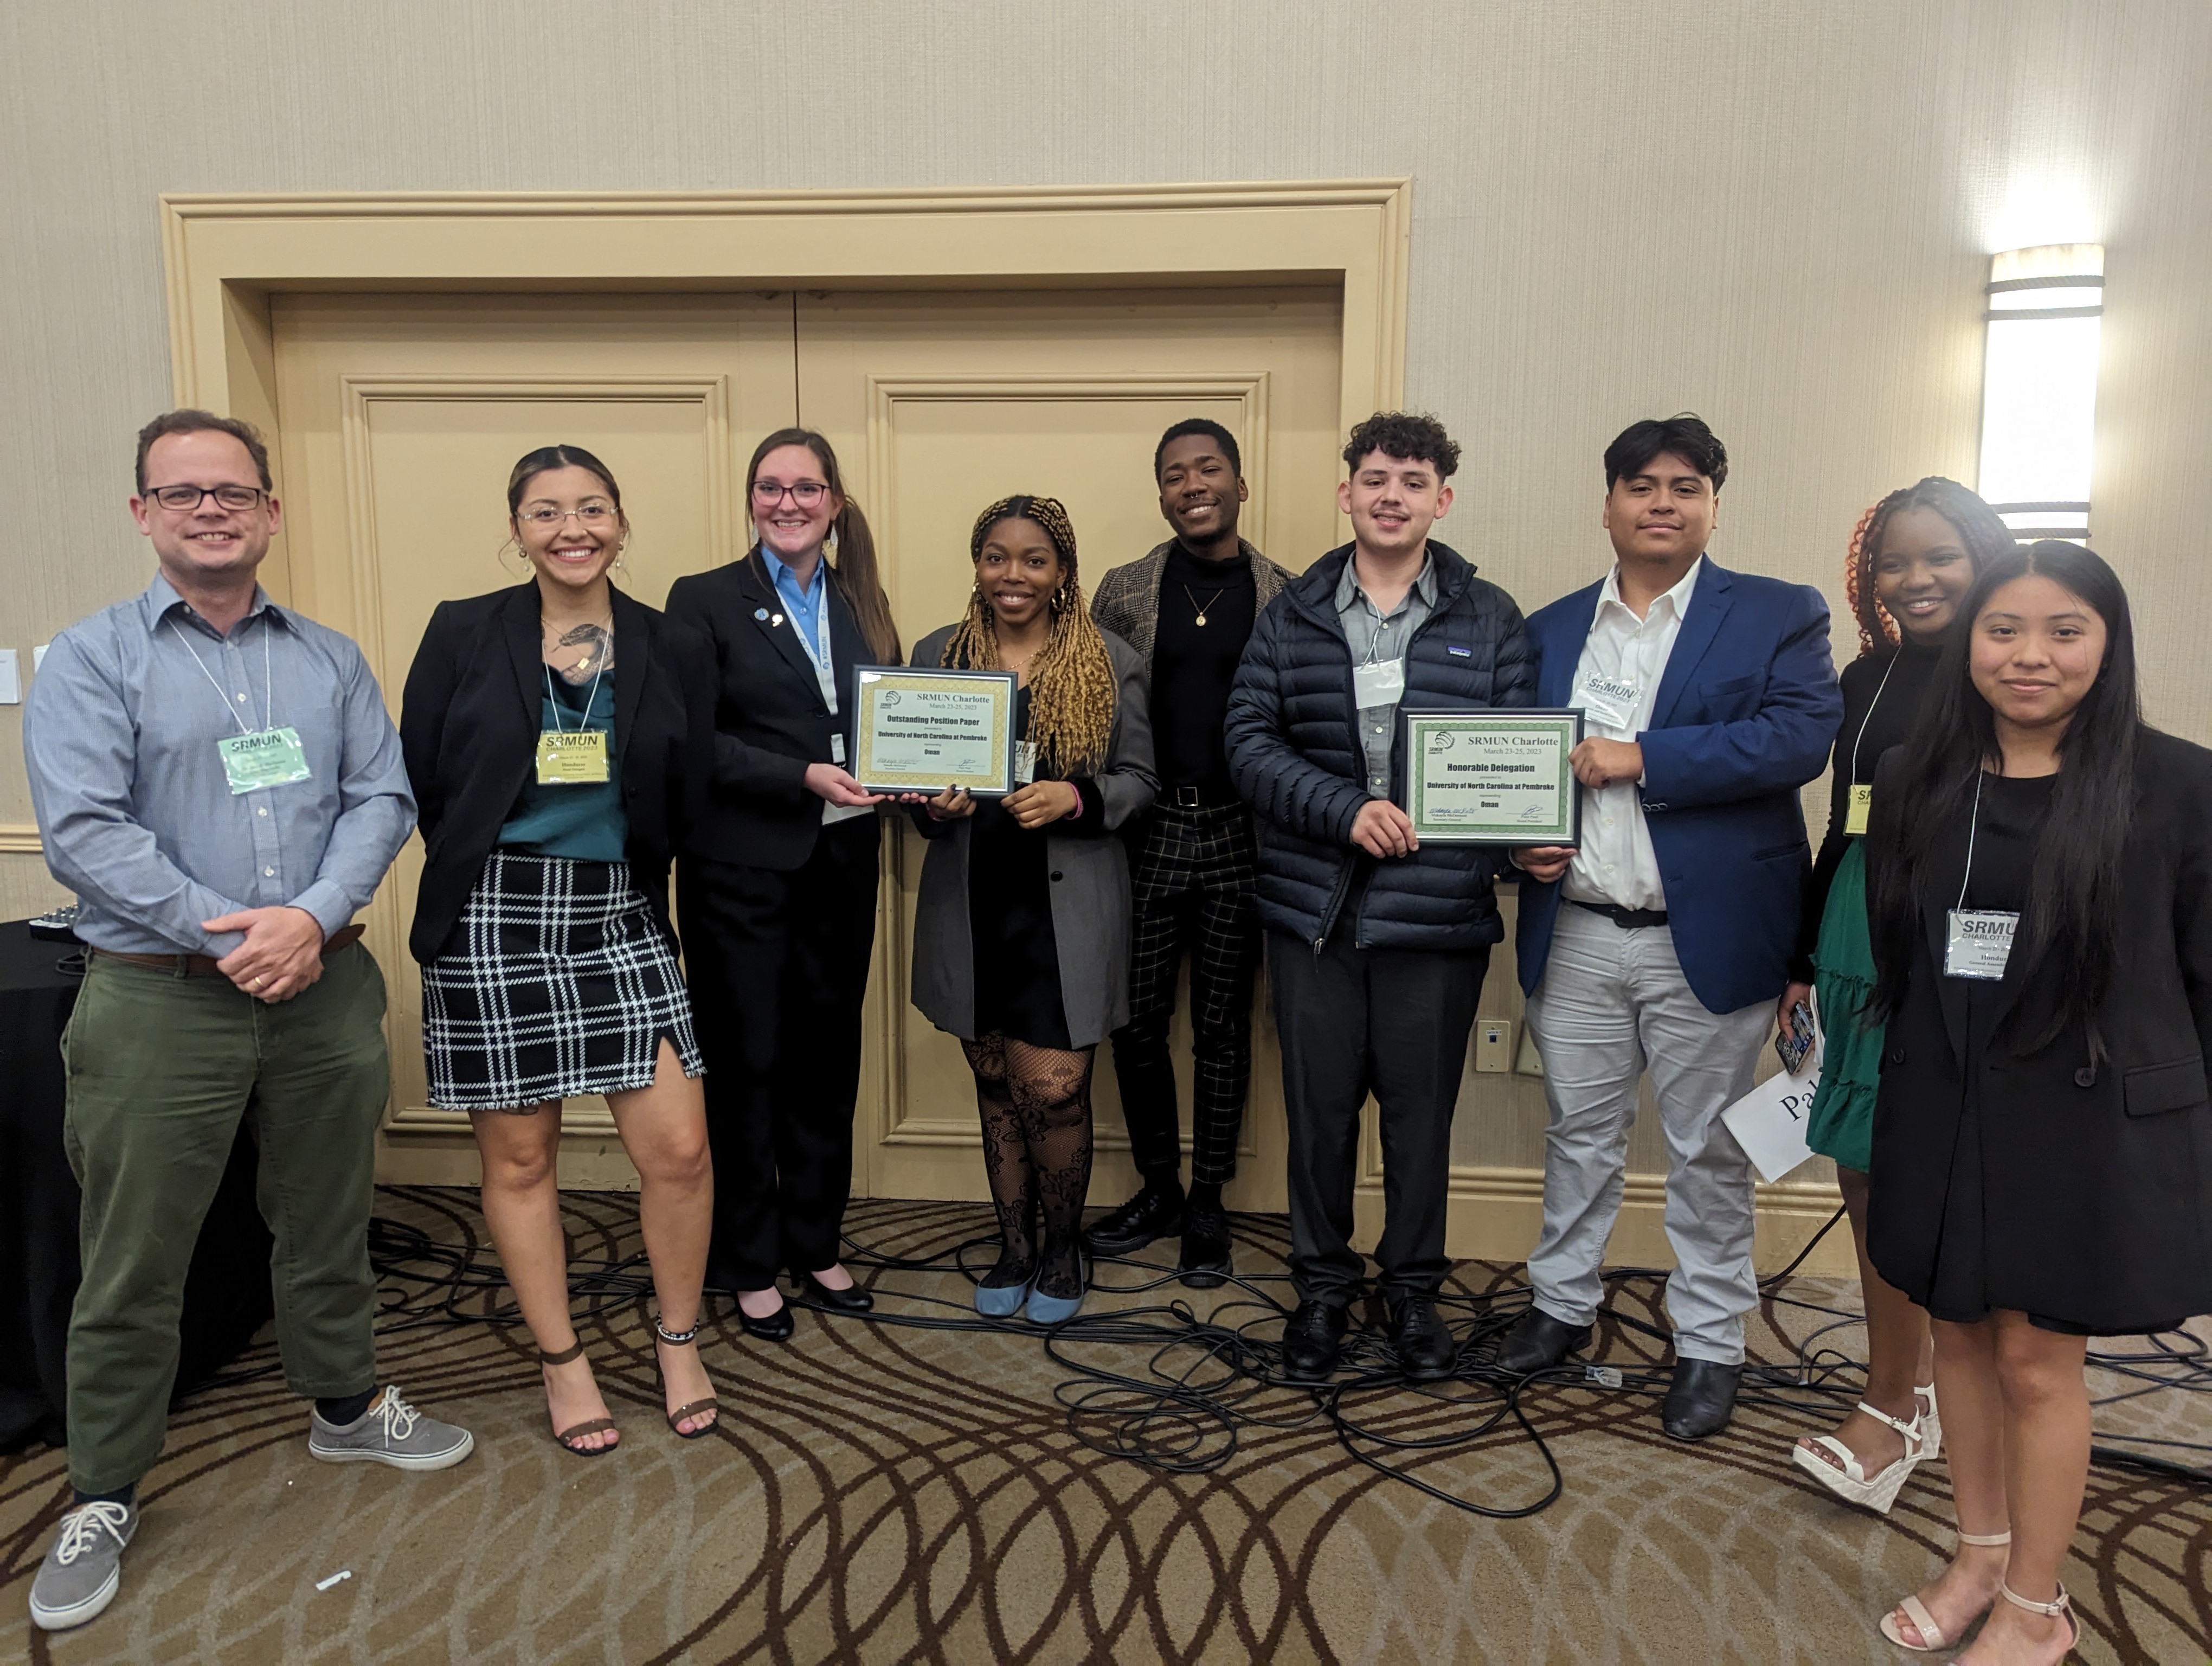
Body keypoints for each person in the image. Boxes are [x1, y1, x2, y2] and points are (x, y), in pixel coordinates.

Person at [22, 411, 472, 1633]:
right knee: (133, 1254)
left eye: (232, 492)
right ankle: (105, 1485)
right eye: (182, 492)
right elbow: (85, 832)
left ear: (271, 513)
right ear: (143, 516)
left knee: (327, 1217)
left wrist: (313, 918)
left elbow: (382, 797)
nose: (209, 509)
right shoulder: (92, 660)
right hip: (162, 1000)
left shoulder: (325, 659)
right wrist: (244, 930)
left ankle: (342, 1408)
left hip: (322, 988)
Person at [1862, 543, 2212, 1661]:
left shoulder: (2179, 784)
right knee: (1955, 1342)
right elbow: (1897, 946)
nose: (2030, 655)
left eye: (2066, 630)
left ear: (2108, 648)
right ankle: (1977, 1555)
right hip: (1946, 1097)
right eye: (2003, 629)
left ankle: (2037, 1601)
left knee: (2033, 1362)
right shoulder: (1919, 771)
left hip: (2084, 1117)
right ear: (1970, 642)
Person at [1496, 414, 1841, 1440]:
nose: (1661, 502)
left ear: (1712, 506)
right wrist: (1518, 847)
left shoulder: (1777, 613)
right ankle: (1562, 1306)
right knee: (1580, 1137)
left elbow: (1797, 739)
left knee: (1706, 1151)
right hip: (1582, 927)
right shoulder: (1552, 628)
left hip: (1711, 933)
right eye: (1641, 485)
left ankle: (1710, 1344)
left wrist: (1641, 757)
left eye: (1684, 486)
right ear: (1607, 504)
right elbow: (1511, 764)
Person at [402, 444, 721, 1454]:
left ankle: (678, 1340)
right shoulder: (464, 631)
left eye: (590, 509)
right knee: (524, 1156)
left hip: (622, 906)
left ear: (622, 524)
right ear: (518, 531)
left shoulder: (671, 642)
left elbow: (694, 776)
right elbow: (425, 774)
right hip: (496, 912)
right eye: (546, 512)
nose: (570, 529)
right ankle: (563, 1361)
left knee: (678, 1149)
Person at [1224, 411, 1534, 1383]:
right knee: (1318, 1118)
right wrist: (1346, 809)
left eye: (1413, 479)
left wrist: (1529, 842)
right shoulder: (1292, 613)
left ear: (1443, 499)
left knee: (1418, 1121)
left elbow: (1519, 758)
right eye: (1375, 477)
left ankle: (1411, 1298)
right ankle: (1321, 1293)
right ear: (1346, 492)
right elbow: (1247, 743)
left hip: (1436, 917)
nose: (1391, 494)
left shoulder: (1491, 618)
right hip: (1313, 910)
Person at [1782, 478, 2012, 1512]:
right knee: (1865, 1169)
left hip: (1968, 938)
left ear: (1985, 555)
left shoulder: (2012, 664)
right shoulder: (1866, 676)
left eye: (1941, 558)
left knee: (1962, 1171)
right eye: (1894, 562)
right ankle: (1899, 1398)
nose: (1916, 580)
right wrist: (1799, 957)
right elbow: (1843, 821)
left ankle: (1970, 1392)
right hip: (1859, 934)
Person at [664, 430, 905, 1338]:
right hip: (743, 871)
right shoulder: (705, 600)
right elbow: (692, 738)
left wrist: (916, 774)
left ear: (835, 504)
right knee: (749, 1062)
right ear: (752, 501)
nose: (789, 503)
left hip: (842, 865)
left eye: (807, 488)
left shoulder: (863, 602)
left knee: (825, 1061)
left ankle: (816, 1239)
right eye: (771, 487)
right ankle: (747, 1257)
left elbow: (888, 724)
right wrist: (798, 775)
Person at [909, 496, 1157, 1324]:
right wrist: (928, 806)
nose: (1013, 574)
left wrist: (1075, 798)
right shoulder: (936, 656)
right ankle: (1013, 1245)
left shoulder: (1108, 659)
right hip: (973, 907)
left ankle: (1061, 1247)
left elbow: (1141, 784)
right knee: (993, 1084)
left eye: (1034, 560)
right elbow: (904, 779)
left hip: (1065, 916)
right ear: (977, 566)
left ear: (1062, 574)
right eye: (995, 556)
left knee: (1052, 1092)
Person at [1086, 419, 1292, 1284]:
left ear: (1241, 485)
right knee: (1135, 1023)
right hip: (1148, 831)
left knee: (1221, 1029)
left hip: (1244, 835)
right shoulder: (1124, 590)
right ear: (1162, 493)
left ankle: (1209, 1199)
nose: (1192, 484)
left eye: (1209, 469)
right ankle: (1158, 1186)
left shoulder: (1290, 592)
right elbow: (1086, 707)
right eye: (1174, 474)